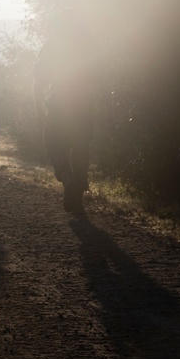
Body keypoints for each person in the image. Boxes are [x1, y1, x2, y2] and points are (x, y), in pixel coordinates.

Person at [33, 12, 103, 214]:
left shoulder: (50, 47)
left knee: (53, 145)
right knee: (81, 149)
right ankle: (77, 196)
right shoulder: (86, 47)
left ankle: (67, 177)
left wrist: (38, 107)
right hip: (84, 104)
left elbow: (38, 81)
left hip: (59, 104)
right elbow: (99, 82)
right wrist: (109, 108)